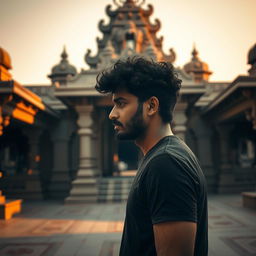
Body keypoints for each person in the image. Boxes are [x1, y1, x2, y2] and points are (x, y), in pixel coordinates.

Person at [95, 57, 208, 256]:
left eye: (121, 103)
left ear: (151, 106)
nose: (112, 114)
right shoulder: (163, 156)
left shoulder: (166, 164)